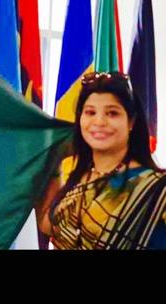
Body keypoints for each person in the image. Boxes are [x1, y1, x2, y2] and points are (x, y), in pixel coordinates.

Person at [36, 71, 166, 249]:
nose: (99, 122)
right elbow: (48, 225)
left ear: (131, 122)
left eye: (112, 113)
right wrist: (52, 158)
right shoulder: (79, 178)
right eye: (90, 112)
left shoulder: (155, 188)